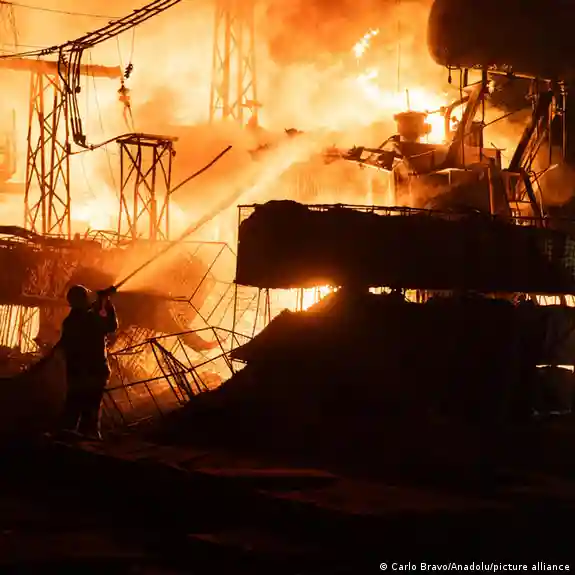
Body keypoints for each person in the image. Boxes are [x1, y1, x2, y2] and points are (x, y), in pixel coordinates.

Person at [56, 284, 118, 439]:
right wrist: (106, 303)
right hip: (94, 372)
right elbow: (111, 325)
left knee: (73, 407)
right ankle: (89, 440)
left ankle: (66, 439)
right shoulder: (90, 319)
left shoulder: (69, 322)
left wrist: (101, 303)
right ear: (83, 300)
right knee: (90, 411)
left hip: (76, 373)